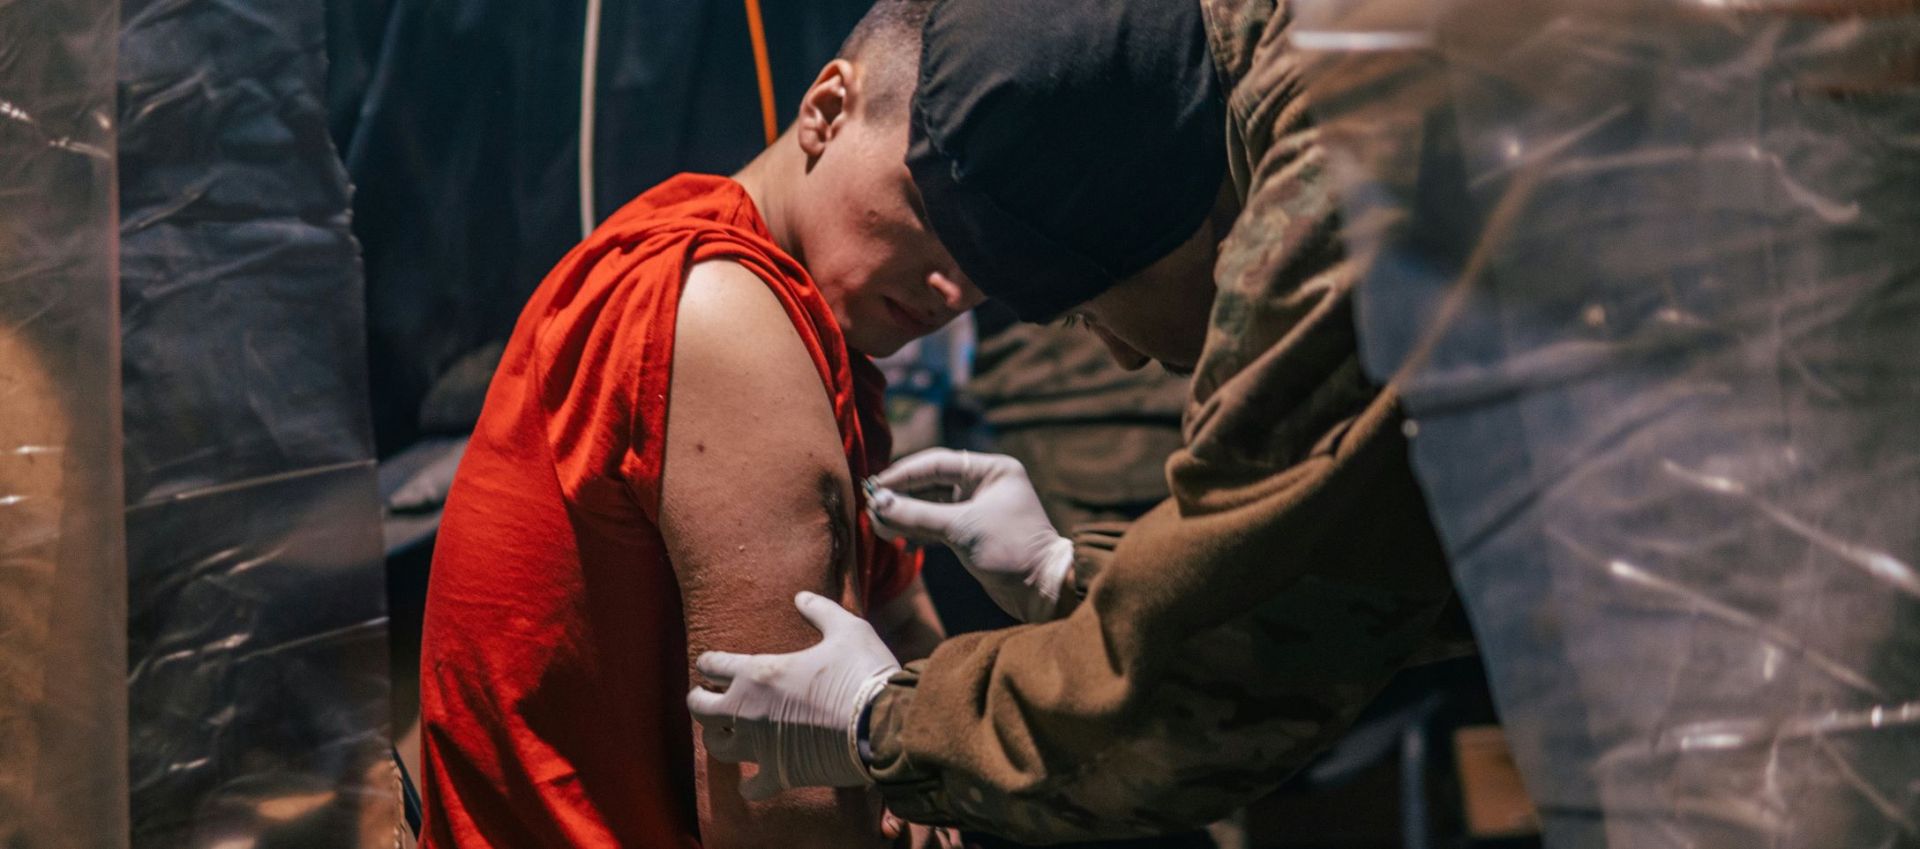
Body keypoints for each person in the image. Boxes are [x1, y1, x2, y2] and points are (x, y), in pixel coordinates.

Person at [687, 0, 1470, 843]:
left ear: (1144, 224)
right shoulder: (1312, 62)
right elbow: (1348, 569)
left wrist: (882, 718)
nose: (1125, 356)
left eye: (1085, 310)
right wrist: (1074, 577)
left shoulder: (1339, 156)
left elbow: (1213, 680)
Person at [415, 2, 981, 846]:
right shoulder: (723, 308)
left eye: (990, 256)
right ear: (826, 109)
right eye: (932, 210)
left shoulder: (816, 324)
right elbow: (790, 815)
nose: (954, 290)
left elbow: (904, 629)